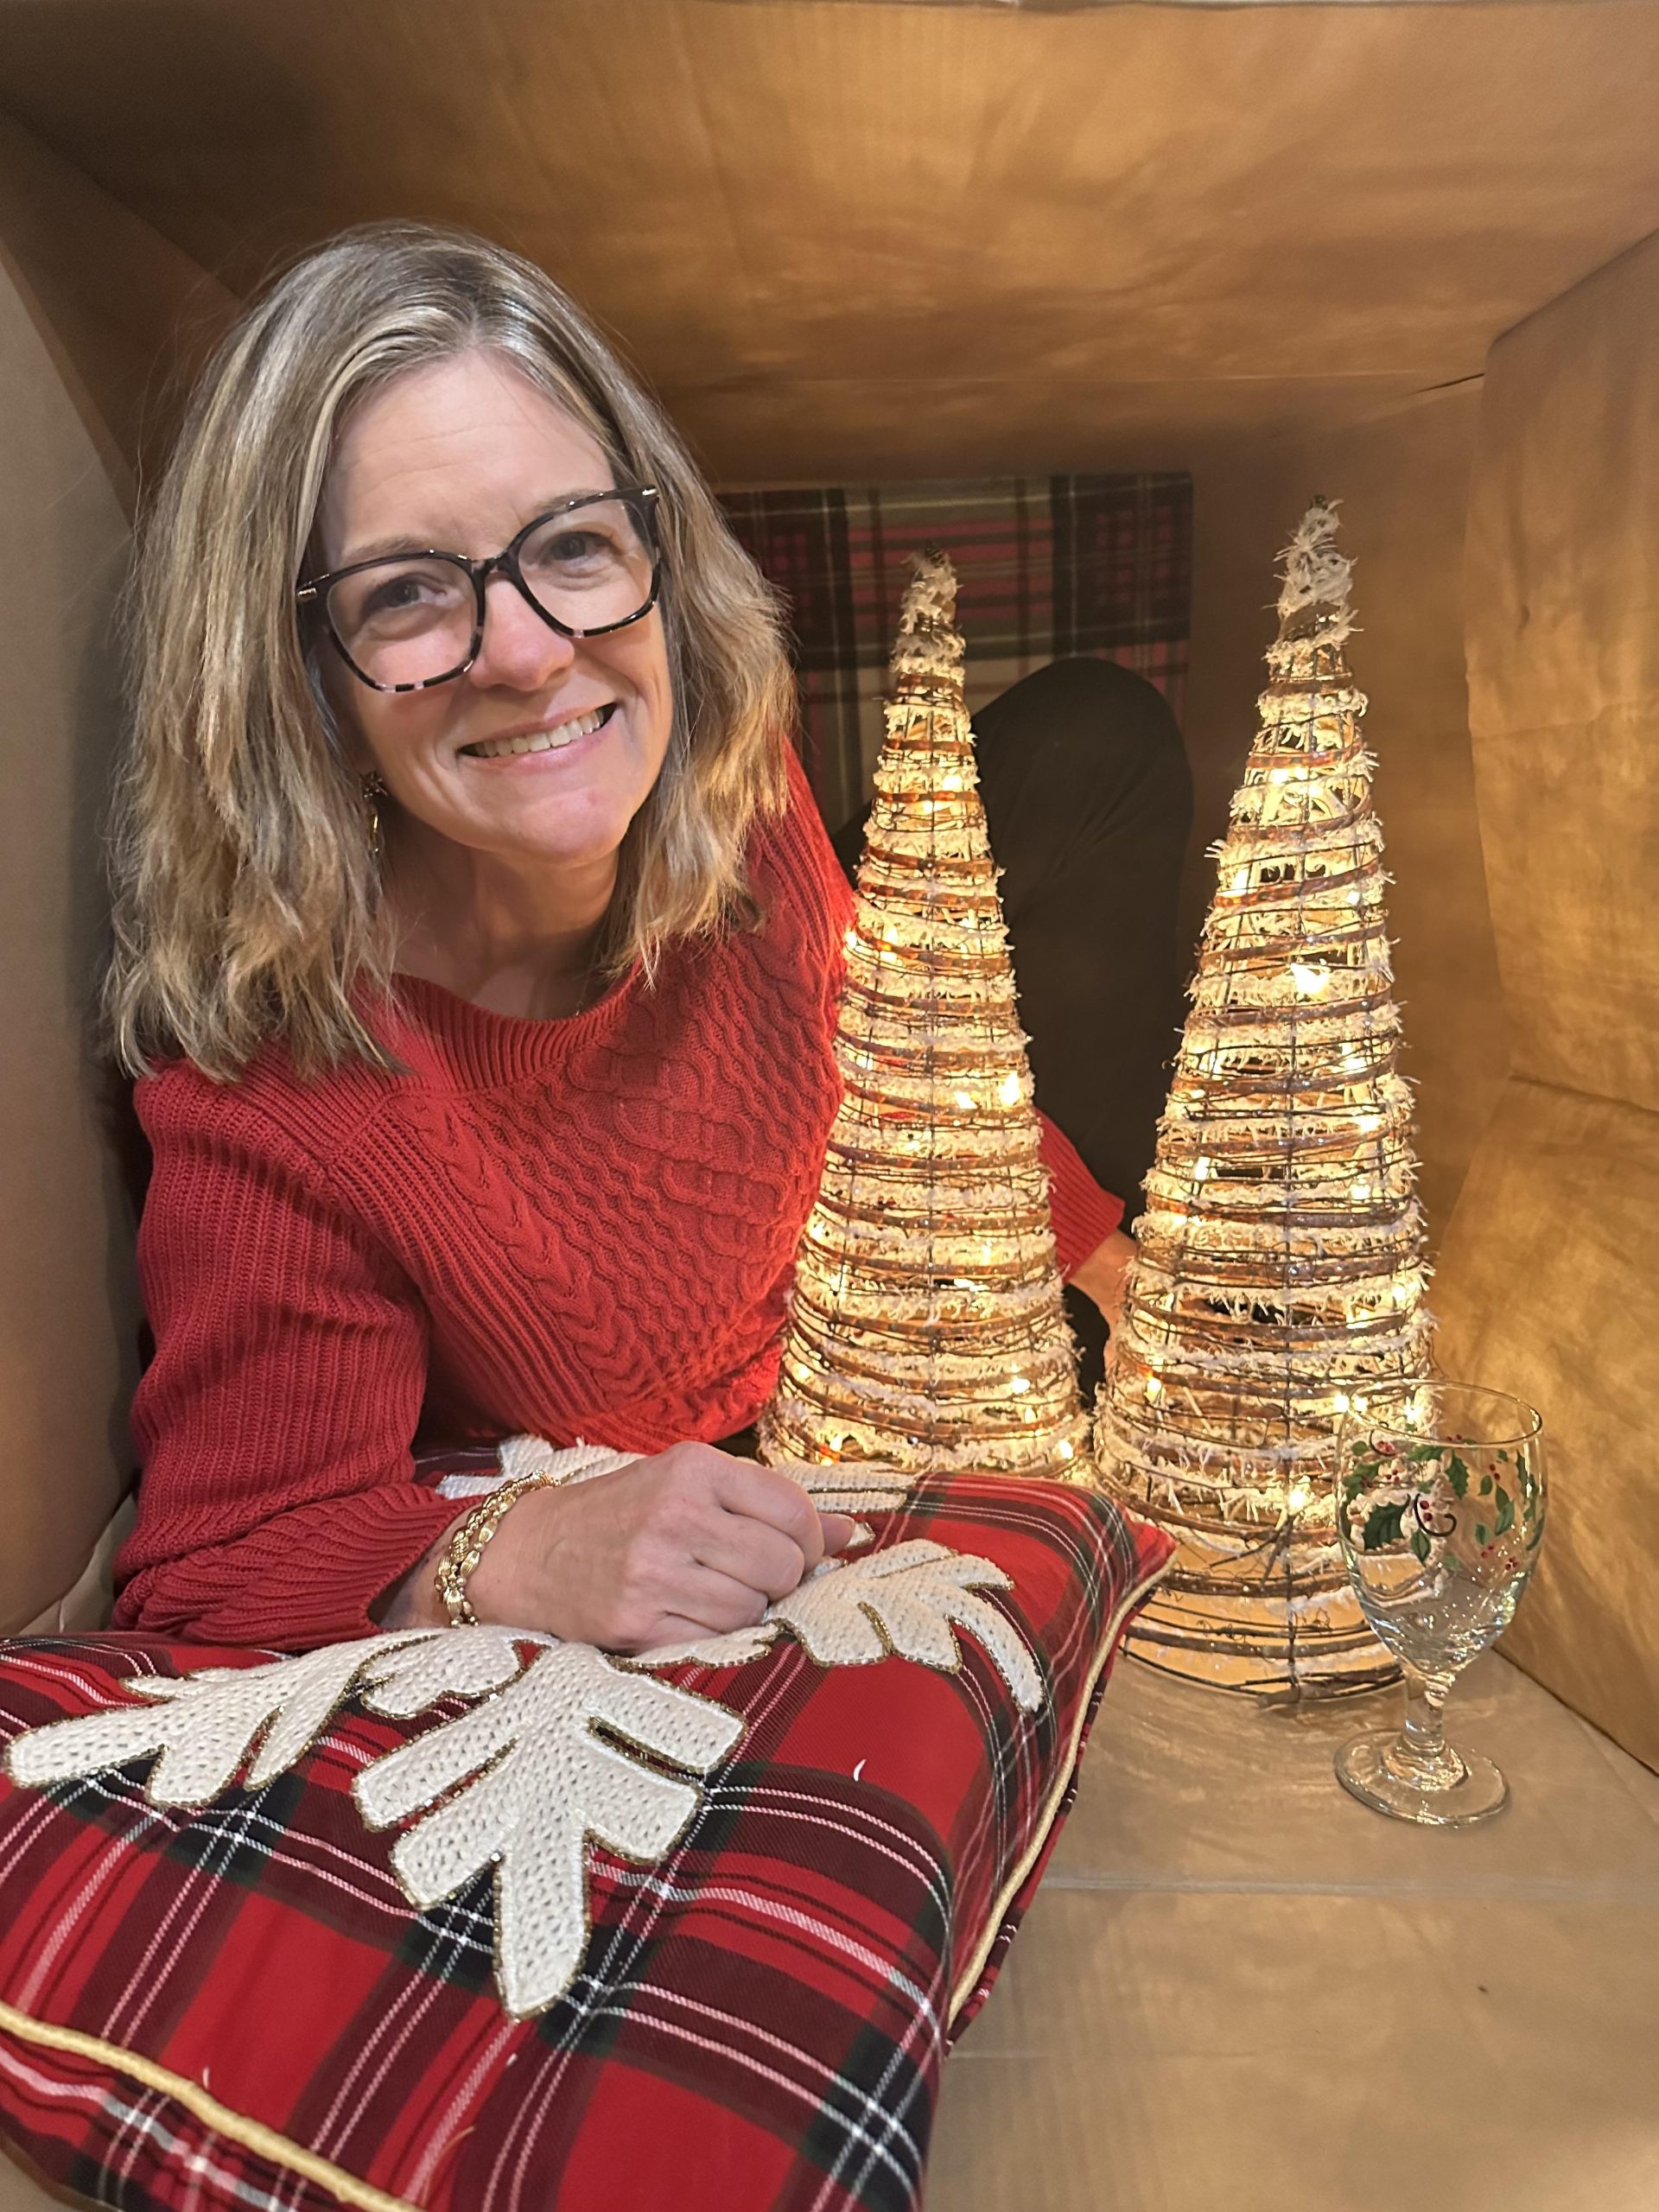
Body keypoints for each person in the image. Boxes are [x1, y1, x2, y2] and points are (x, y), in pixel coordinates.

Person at [105, 223, 1186, 1658]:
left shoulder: (730, 771)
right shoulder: (281, 1085)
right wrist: (512, 1549)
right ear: (305, 681)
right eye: (409, 592)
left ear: (654, 556)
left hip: (874, 1288)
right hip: (754, 1447)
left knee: (1095, 736)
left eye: (571, 545)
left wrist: (1110, 1250)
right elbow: (216, 1567)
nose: (533, 651)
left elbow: (883, 1061)